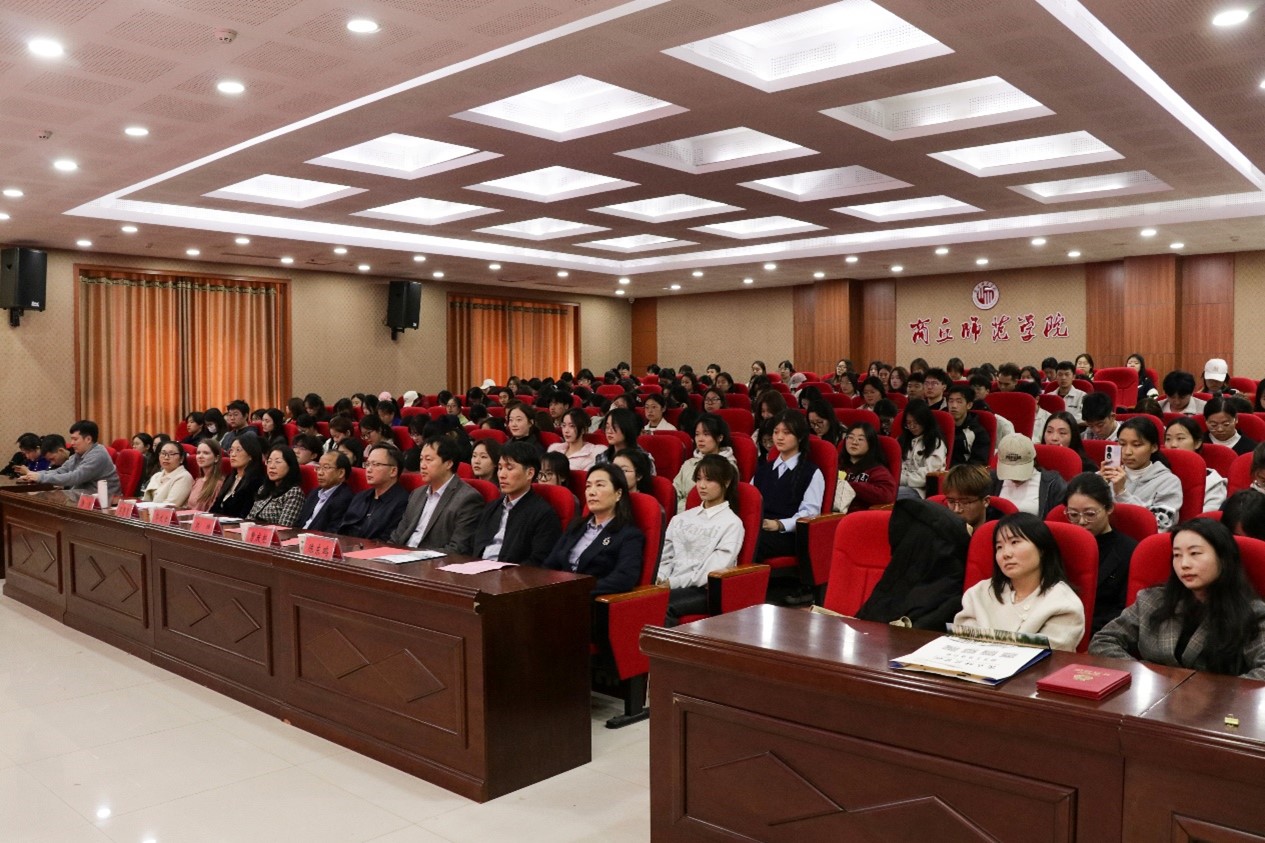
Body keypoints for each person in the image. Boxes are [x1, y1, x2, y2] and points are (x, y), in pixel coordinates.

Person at [1090, 518, 1265, 678]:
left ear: (1223, 558)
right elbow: (1103, 641)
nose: (1184, 564)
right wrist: (1143, 676)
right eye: (1177, 555)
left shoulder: (1253, 613)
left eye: (1194, 553)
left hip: (1217, 702)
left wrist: (1218, 695)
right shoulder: (1152, 600)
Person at [954, 513, 1086, 652]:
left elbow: (1049, 657)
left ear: (1042, 548)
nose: (1006, 554)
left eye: (1015, 542)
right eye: (999, 547)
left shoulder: (1063, 604)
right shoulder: (979, 593)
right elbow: (961, 645)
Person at [658, 455, 745, 625]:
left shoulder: (732, 523)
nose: (702, 485)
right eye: (698, 479)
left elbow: (712, 571)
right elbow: (665, 556)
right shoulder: (681, 518)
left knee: (662, 605)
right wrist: (660, 577)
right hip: (670, 582)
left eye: (709, 480)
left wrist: (672, 583)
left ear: (726, 482)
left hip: (703, 589)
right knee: (637, 600)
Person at [543, 463, 645, 596]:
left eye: (599, 485)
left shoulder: (629, 535)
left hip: (590, 599)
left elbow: (624, 578)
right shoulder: (576, 526)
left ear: (618, 494)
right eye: (588, 486)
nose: (591, 492)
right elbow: (549, 565)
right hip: (557, 595)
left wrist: (577, 590)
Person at [1064, 472, 1136, 634]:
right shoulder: (1061, 544)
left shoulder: (1129, 551)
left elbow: (1125, 611)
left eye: (1090, 514)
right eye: (1073, 515)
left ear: (1109, 508)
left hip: (1102, 632)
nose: (1081, 521)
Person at [752, 410, 823, 574]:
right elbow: (751, 500)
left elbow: (810, 514)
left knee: (751, 541)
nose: (779, 437)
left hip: (789, 535)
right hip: (760, 526)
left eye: (786, 433)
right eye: (776, 432)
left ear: (800, 437)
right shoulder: (764, 469)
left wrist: (779, 524)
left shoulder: (811, 472)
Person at [470, 441, 562, 566]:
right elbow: (473, 546)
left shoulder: (544, 515)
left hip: (512, 575)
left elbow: (539, 562)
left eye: (509, 468)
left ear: (530, 473)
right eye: (500, 468)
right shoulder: (492, 507)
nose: (502, 475)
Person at [389, 436, 483, 553]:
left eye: (428, 460)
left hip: (431, 561)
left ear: (448, 463)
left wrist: (416, 556)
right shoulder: (417, 494)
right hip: (401, 557)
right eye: (421, 459)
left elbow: (458, 549)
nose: (422, 465)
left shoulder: (467, 498)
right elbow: (397, 537)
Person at [1102, 417, 1183, 532]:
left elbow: (1160, 527)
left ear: (1154, 447)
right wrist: (1097, 486)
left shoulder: (1169, 482)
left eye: (1136, 445)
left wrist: (1121, 493)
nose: (1127, 452)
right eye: (1122, 444)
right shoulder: (1105, 476)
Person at [16, 420, 121, 497]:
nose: (72, 443)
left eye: (75, 439)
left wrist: (41, 478)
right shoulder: (79, 454)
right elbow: (61, 471)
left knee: (50, 498)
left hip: (104, 498)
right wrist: (33, 475)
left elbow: (75, 477)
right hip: (85, 494)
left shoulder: (98, 454)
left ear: (88, 439)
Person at [338, 444, 409, 541]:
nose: (369, 470)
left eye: (376, 464)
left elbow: (388, 540)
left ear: (393, 471)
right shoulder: (360, 497)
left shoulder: (402, 503)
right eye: (367, 464)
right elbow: (343, 529)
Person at [990, 433, 1066, 518]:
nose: (1014, 477)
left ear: (1033, 460)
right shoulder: (993, 480)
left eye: (1019, 470)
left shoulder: (1052, 484)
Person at [674, 413, 738, 509]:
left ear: (720, 437)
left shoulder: (728, 466)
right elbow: (674, 493)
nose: (700, 439)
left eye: (706, 434)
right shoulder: (689, 463)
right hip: (682, 513)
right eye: (697, 434)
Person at [1164, 417, 1227, 512]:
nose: (1173, 445)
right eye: (1168, 439)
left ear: (1197, 443)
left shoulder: (1211, 481)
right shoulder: (1157, 473)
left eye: (1180, 438)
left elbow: (1207, 517)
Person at [837, 422, 896, 512]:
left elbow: (887, 494)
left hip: (860, 515)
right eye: (850, 437)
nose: (854, 442)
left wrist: (852, 486)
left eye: (860, 439)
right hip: (834, 513)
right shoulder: (837, 465)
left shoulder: (877, 470)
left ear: (870, 444)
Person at [898, 399, 947, 500]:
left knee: (891, 495)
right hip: (898, 483)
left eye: (916, 422)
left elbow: (927, 474)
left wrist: (902, 479)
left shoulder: (935, 443)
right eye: (908, 423)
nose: (912, 427)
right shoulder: (902, 440)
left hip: (919, 489)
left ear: (925, 421)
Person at [295, 450, 355, 532]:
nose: (320, 473)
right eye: (318, 467)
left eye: (326, 467)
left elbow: (332, 533)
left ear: (341, 473)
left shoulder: (344, 499)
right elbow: (299, 522)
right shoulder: (314, 492)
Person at [248, 446, 306, 527]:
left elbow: (283, 527)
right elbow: (250, 518)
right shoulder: (263, 488)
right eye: (269, 461)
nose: (272, 466)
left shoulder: (294, 493)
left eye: (278, 462)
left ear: (290, 465)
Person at [942, 464, 1008, 533]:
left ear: (985, 501)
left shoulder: (1001, 532)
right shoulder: (941, 529)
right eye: (951, 502)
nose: (956, 510)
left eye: (965, 502)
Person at [211, 434, 265, 518]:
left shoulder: (256, 482)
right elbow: (215, 507)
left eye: (238, 450)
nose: (233, 454)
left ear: (251, 455)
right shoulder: (230, 478)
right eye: (231, 450)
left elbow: (245, 514)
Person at [594, 407, 652, 471]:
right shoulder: (602, 457)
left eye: (615, 427)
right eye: (607, 427)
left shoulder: (643, 460)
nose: (609, 431)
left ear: (627, 428)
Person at [946, 385, 990, 467]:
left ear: (969, 405)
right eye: (951, 401)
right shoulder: (940, 426)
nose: (954, 406)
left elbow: (977, 464)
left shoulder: (978, 433)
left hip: (962, 472)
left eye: (959, 402)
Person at [141, 440, 193, 506]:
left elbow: (170, 505)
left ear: (181, 459)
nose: (166, 457)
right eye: (163, 453)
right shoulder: (156, 476)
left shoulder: (184, 477)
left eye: (171, 454)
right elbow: (145, 500)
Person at [186, 440, 225, 512]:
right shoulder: (198, 481)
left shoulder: (219, 484)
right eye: (198, 453)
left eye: (206, 453)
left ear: (216, 458)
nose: (200, 456)